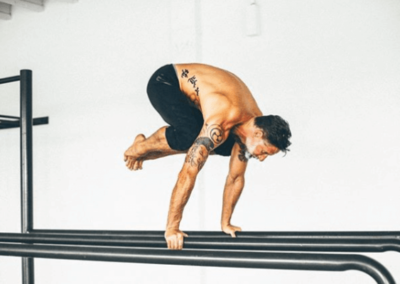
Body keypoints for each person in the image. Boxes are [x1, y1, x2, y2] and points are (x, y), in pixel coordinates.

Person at [124, 63, 291, 250]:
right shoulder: (220, 123)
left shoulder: (252, 126)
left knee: (224, 146)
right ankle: (140, 148)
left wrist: (225, 223)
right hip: (166, 82)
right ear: (259, 134)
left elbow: (235, 178)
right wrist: (172, 228)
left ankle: (144, 150)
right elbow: (189, 171)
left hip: (205, 98)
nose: (261, 158)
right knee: (192, 136)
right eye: (265, 152)